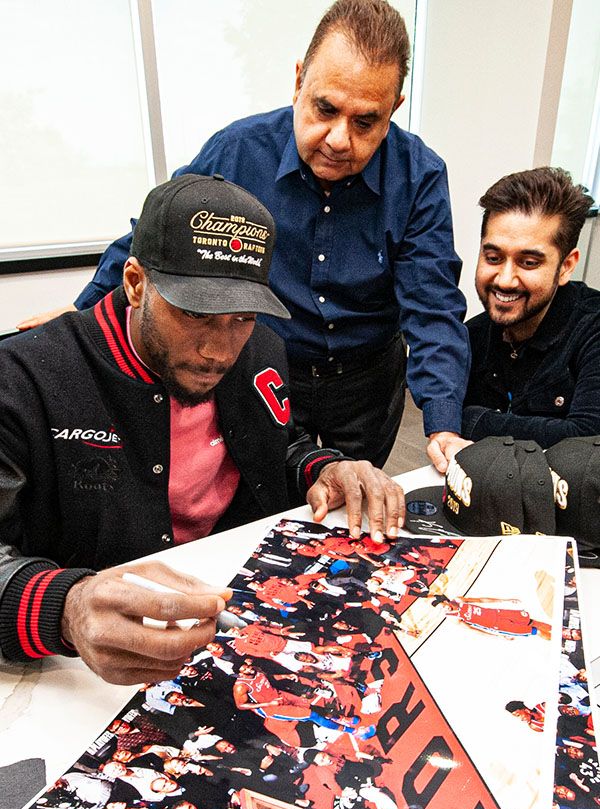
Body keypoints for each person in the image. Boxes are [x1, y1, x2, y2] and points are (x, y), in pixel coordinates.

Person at [19, 0, 470, 473]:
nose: (339, 139)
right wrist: (81, 310)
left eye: (365, 122)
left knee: (352, 495)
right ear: (298, 81)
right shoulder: (238, 151)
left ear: (394, 109)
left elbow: (433, 305)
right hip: (266, 368)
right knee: (266, 484)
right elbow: (155, 236)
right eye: (325, 109)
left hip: (367, 380)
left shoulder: (419, 176)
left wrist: (443, 424)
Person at [0, 174, 404, 685]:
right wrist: (64, 609)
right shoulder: (23, 380)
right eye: (194, 313)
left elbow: (276, 441)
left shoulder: (263, 352)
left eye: (242, 317)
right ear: (135, 283)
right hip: (82, 674)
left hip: (238, 617)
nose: (219, 349)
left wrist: (322, 468)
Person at [461, 166, 600, 447]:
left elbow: (589, 439)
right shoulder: (470, 337)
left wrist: (473, 420)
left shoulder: (593, 329)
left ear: (566, 267)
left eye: (529, 263)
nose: (506, 280)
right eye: (493, 257)